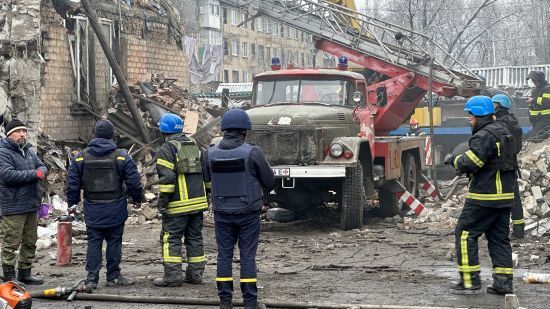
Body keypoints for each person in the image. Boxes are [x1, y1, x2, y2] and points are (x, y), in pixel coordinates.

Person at [443, 96, 515, 295]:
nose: (469, 119)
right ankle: (503, 283)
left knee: (465, 234)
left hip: (485, 196)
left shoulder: (483, 135)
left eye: (470, 115)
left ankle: (469, 280)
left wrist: (454, 160)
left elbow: (472, 162)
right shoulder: (504, 132)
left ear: (478, 115)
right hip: (505, 197)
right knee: (499, 239)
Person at [203, 109, 274, 309]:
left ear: (224, 130)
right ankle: (250, 303)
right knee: (247, 256)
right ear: (244, 131)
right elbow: (269, 180)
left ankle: (225, 301)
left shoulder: (209, 153)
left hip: (222, 213)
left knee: (224, 255)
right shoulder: (253, 152)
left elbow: (207, 177)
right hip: (248, 213)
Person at [66, 119, 143, 290]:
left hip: (92, 208)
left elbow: (72, 184)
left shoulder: (80, 157)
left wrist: (72, 204)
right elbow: (134, 181)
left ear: (95, 135)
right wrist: (137, 198)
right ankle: (113, 276)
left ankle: (92, 278)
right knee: (114, 241)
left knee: (94, 242)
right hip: (115, 207)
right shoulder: (121, 155)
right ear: (112, 136)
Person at [153, 113, 208, 287]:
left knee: (171, 239)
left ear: (163, 131)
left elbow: (167, 178)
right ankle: (195, 275)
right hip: (198, 203)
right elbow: (207, 174)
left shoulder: (167, 148)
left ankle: (172, 277)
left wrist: (163, 201)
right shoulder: (195, 144)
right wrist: (208, 195)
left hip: (177, 205)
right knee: (195, 238)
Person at [0, 118, 47, 285]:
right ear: (9, 134)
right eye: (18, 132)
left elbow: (42, 166)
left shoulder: (28, 150)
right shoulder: (3, 152)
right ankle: (9, 276)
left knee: (30, 240)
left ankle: (25, 273)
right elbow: (7, 175)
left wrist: (40, 171)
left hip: (31, 203)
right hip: (14, 206)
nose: (22, 134)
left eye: (24, 131)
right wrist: (34, 175)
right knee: (11, 242)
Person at [492, 94, 524, 239]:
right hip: (511, 164)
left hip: (499, 166)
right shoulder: (514, 122)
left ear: (498, 105)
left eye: (493, 104)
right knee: (515, 199)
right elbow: (517, 147)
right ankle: (519, 230)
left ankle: (497, 231)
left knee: (496, 199)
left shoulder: (497, 124)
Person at [525, 70, 550, 142]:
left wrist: (533, 100)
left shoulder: (547, 89)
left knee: (534, 138)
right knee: (527, 137)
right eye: (532, 80)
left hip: (546, 120)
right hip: (537, 120)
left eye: (534, 80)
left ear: (540, 80)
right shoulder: (535, 90)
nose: (533, 82)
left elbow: (547, 101)